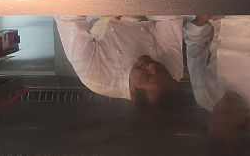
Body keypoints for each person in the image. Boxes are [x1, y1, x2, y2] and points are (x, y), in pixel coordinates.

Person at [55, 15, 184, 106]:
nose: (152, 67)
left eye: (147, 77)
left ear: (133, 94)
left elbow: (68, 18)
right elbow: (169, 16)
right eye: (162, 71)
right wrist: (132, 4)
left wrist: (102, 6)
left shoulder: (95, 76)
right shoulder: (174, 72)